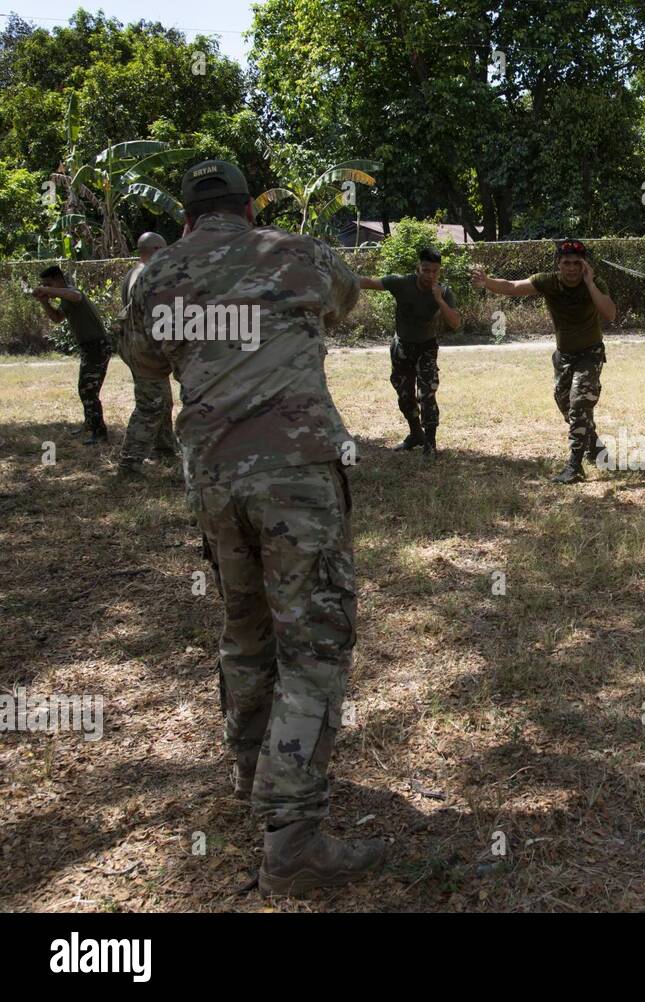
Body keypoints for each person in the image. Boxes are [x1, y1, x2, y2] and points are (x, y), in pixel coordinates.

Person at [123, 159, 385, 894]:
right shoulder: (298, 254)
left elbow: (142, 357)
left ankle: (254, 776)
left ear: (184, 217)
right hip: (295, 477)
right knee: (315, 641)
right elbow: (348, 300)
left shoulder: (153, 276)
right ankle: (293, 838)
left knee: (246, 628)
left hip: (212, 479)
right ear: (247, 207)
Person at [471, 238, 616, 483]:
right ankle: (595, 446)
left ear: (584, 265)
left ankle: (574, 466)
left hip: (590, 354)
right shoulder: (548, 282)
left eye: (576, 264)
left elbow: (610, 314)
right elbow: (511, 286)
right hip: (564, 356)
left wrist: (590, 283)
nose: (571, 268)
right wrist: (486, 282)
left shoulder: (595, 283)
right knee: (565, 405)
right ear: (558, 264)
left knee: (580, 402)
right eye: (566, 263)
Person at [359, 247, 461, 459]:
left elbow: (455, 323)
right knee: (404, 395)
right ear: (418, 268)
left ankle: (430, 444)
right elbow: (369, 282)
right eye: (426, 270)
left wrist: (440, 300)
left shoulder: (443, 291)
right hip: (402, 347)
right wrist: (339, 278)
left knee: (427, 393)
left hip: (426, 347)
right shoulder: (402, 283)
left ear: (439, 272)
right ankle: (416, 434)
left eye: (435, 271)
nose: (430, 275)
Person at [115, 231, 178, 476]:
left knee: (163, 399)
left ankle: (164, 448)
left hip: (134, 345)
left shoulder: (133, 273)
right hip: (145, 350)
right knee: (151, 405)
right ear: (157, 250)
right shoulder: (150, 275)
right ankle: (129, 463)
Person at [32, 264, 112, 445]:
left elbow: (76, 295)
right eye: (43, 284)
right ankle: (90, 425)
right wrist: (44, 301)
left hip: (97, 347)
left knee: (89, 390)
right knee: (85, 389)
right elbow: (57, 318)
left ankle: (100, 433)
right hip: (88, 348)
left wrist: (46, 290)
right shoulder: (65, 300)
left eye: (48, 283)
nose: (46, 287)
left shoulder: (72, 293)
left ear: (59, 280)